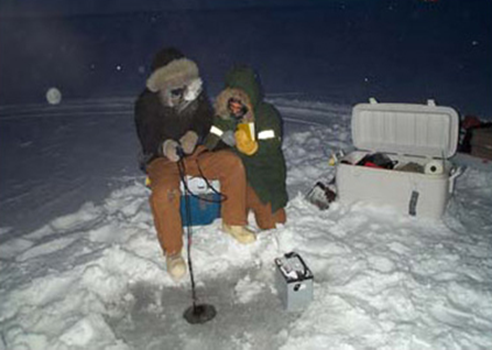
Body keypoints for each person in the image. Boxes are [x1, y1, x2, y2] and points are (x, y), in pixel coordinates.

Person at [134, 48, 256, 281]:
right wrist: (165, 146)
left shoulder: (195, 94)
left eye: (182, 75)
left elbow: (205, 119)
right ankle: (172, 252)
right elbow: (147, 134)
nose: (180, 81)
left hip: (194, 154)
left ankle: (233, 222)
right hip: (162, 159)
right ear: (161, 79)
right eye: (173, 76)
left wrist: (194, 134)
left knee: (232, 164)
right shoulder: (146, 102)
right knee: (164, 192)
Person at [204, 65, 288, 230]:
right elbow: (209, 144)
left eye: (241, 99)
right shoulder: (222, 117)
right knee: (233, 219)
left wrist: (253, 148)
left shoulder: (266, 114)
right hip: (233, 180)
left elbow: (272, 146)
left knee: (274, 223)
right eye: (232, 101)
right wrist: (221, 143)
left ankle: (255, 203)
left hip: (262, 177)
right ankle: (237, 207)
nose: (236, 106)